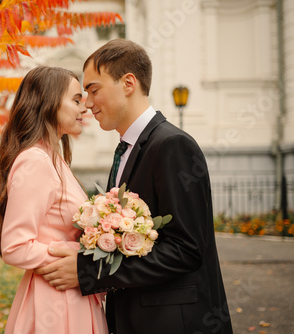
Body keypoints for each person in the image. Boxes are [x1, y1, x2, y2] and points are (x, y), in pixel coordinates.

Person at [35, 39, 234, 334]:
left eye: (93, 90)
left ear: (128, 83)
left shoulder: (171, 145)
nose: (88, 104)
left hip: (173, 323)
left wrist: (89, 271)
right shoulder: (128, 148)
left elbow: (186, 249)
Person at [0, 66, 108, 334]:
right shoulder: (36, 160)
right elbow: (15, 246)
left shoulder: (55, 159)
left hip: (71, 291)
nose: (85, 107)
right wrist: (78, 257)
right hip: (56, 300)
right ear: (49, 103)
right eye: (76, 100)